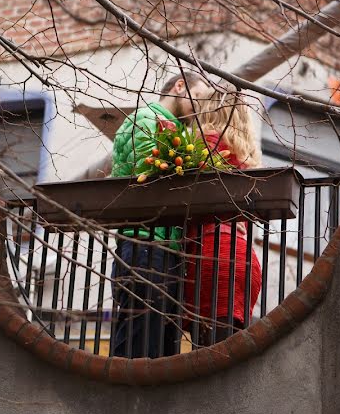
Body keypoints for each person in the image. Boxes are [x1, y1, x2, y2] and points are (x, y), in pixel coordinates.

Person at [108, 74, 211, 358]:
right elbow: (148, 173)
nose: (200, 109)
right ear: (180, 86)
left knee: (161, 347)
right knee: (138, 341)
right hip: (144, 243)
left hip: (165, 248)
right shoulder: (145, 119)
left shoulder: (178, 131)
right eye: (199, 99)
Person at [184, 81, 263, 347]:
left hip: (214, 255)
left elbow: (197, 192)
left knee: (208, 360)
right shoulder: (245, 154)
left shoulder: (208, 139)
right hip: (242, 258)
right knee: (228, 360)